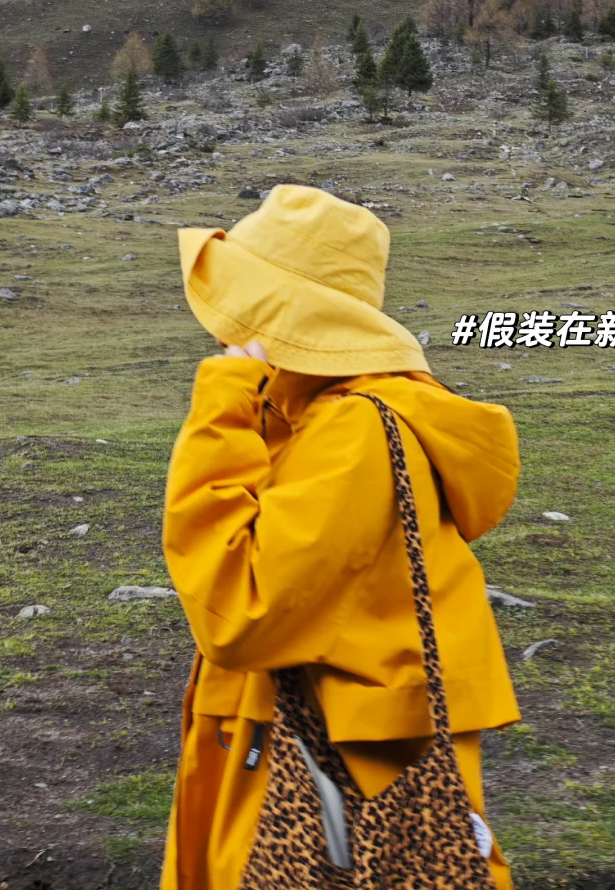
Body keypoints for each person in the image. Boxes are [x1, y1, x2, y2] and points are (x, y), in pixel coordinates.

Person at [160, 185, 521, 889]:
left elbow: (241, 610)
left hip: (328, 761)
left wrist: (226, 401)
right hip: (318, 742)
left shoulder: (352, 430)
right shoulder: (319, 417)